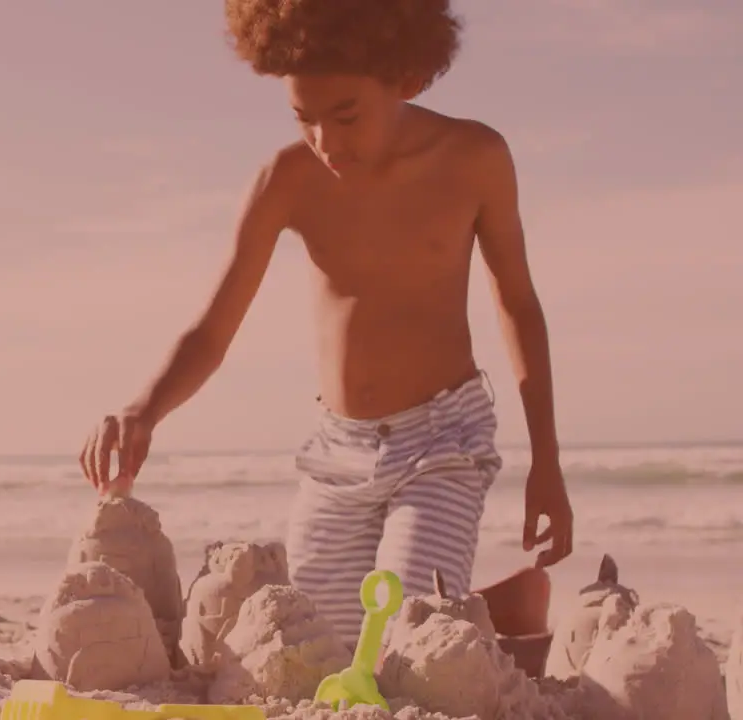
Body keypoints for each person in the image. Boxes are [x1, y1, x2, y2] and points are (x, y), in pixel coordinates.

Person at [78, 0, 573, 647]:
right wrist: (144, 408)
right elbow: (212, 330)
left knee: (403, 638)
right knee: (318, 647)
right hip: (337, 454)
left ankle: (476, 619)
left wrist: (548, 462)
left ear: (407, 79)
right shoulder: (286, 179)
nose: (326, 141)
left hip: (443, 439)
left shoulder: (474, 157)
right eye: (303, 117)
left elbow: (518, 304)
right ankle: (498, 613)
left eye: (346, 115)